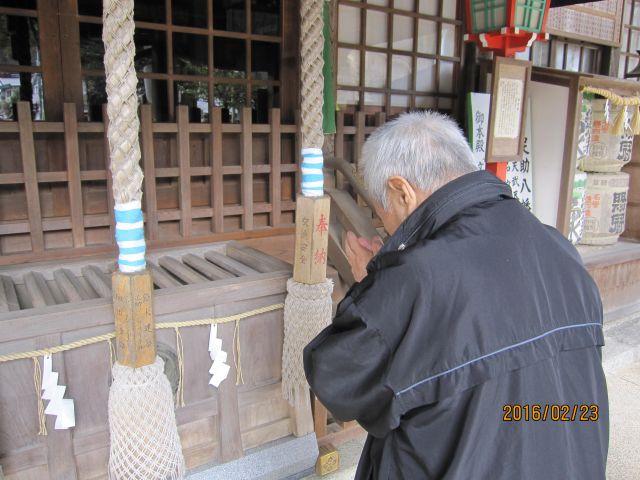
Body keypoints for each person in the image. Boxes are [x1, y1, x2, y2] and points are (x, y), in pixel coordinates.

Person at [303, 111, 609, 479]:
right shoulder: (559, 247)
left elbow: (336, 378)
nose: (384, 224)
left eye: (381, 210)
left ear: (402, 190)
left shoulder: (417, 277)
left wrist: (374, 285)